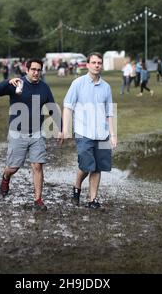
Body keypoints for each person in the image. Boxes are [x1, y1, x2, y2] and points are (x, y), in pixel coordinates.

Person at [0, 58, 60, 211]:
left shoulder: (44, 87)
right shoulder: (18, 84)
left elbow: (52, 108)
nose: (36, 72)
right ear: (26, 70)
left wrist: (60, 128)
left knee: (37, 166)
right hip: (17, 133)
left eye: (38, 70)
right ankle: (5, 177)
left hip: (37, 133)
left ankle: (38, 200)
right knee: (13, 167)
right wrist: (9, 82)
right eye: (33, 69)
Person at [61, 52, 117, 209]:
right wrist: (66, 128)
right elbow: (68, 106)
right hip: (83, 132)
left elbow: (109, 113)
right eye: (93, 62)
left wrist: (113, 134)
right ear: (87, 65)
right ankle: (77, 185)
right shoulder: (77, 83)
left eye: (99, 62)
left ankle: (93, 200)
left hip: (102, 134)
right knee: (86, 166)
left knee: (98, 167)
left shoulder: (106, 87)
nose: (97, 65)